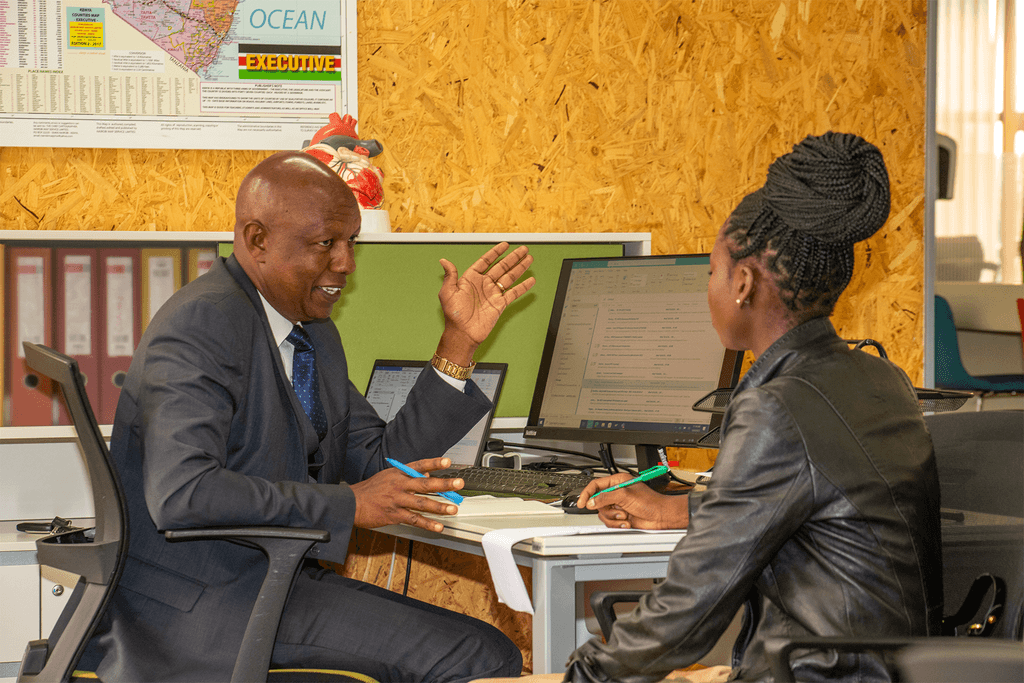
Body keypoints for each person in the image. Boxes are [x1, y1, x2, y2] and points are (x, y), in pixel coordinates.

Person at [80, 151, 533, 682]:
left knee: (481, 646)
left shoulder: (310, 331)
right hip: (200, 606)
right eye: (325, 244)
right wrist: (348, 504)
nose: (345, 263)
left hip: (272, 579)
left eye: (351, 243)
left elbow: (380, 459)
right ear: (257, 240)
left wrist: (459, 340)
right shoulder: (202, 325)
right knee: (480, 656)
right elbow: (185, 493)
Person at [557, 132, 941, 682]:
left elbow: (691, 613)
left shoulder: (775, 408)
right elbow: (814, 511)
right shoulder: (881, 378)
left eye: (711, 271)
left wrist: (583, 676)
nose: (708, 287)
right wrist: (682, 507)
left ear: (741, 283)